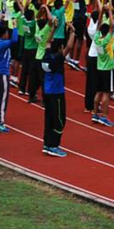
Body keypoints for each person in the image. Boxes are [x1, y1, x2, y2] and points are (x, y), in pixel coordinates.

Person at [42, 29, 74, 157]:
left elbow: (47, 42)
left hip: (47, 91)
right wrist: (72, 33)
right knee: (60, 120)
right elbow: (69, 47)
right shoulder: (58, 58)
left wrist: (53, 29)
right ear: (60, 48)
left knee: (49, 118)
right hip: (57, 93)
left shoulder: (47, 55)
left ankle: (47, 143)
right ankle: (54, 145)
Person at [0, 24, 19, 133]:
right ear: (2, 35)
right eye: (6, 32)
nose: (8, 34)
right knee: (2, 99)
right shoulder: (2, 45)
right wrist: (15, 27)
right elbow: (14, 40)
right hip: (2, 74)